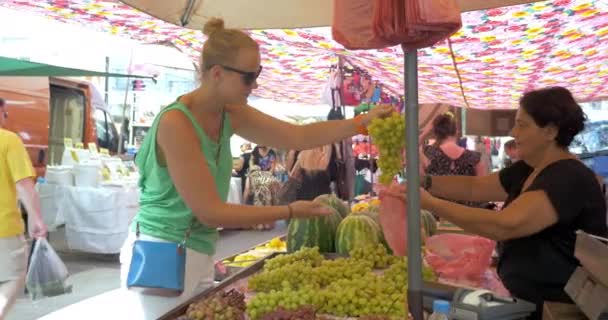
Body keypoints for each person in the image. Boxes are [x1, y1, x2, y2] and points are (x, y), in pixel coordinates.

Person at [118, 18, 393, 319]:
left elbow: (296, 136)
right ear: (217, 74)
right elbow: (210, 211)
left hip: (197, 249)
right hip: (161, 252)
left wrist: (359, 123)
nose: (256, 84)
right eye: (249, 77)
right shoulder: (176, 124)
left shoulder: (229, 114)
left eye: (257, 74)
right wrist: (288, 212)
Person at [399, 87, 608, 319]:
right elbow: (474, 187)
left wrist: (429, 203)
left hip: (558, 309)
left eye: (522, 125)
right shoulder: (530, 167)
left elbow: (504, 225)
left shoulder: (568, 177)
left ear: (549, 131)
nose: (513, 131)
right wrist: (425, 181)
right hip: (527, 301)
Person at [0, 98, 47, 320]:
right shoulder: (8, 140)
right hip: (4, 228)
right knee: (14, 276)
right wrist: (36, 219)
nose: (6, 117)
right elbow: (24, 185)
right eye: (5, 113)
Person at [421, 112, 486, 208]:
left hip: (437, 214)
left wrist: (425, 133)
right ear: (456, 131)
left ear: (435, 132)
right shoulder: (475, 158)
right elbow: (483, 192)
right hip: (466, 216)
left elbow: (408, 150)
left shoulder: (429, 154)